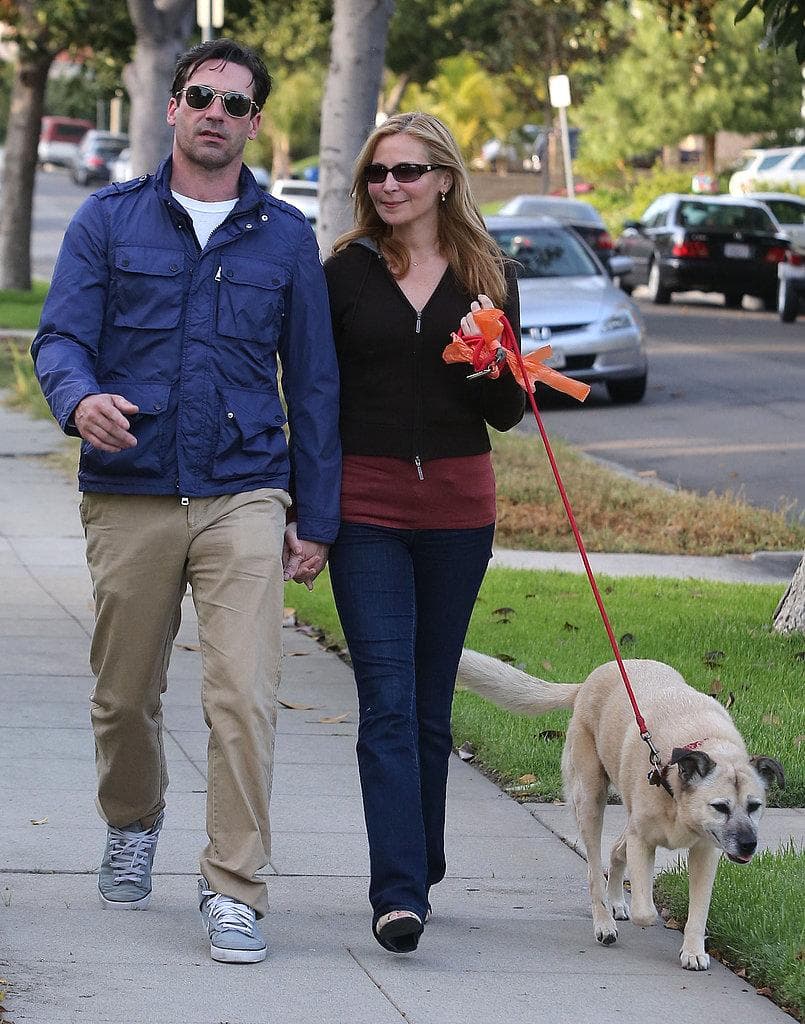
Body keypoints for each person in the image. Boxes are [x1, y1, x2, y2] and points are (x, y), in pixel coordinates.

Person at [31, 38, 340, 964]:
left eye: (236, 104)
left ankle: (234, 885)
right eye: (202, 96)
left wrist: (316, 516)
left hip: (245, 487)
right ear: (173, 107)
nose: (216, 113)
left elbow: (313, 383)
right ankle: (134, 818)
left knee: (243, 696)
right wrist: (79, 400)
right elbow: (59, 338)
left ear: (255, 123)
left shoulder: (285, 237)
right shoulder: (107, 220)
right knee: (123, 696)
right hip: (130, 489)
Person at [323, 112, 526, 954]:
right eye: (377, 173)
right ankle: (398, 893)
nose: (389, 186)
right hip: (365, 510)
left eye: (406, 171)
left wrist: (488, 361)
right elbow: (317, 395)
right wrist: (307, 511)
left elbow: (509, 412)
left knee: (430, 706)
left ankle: (422, 861)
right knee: (388, 701)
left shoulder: (488, 275)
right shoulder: (344, 273)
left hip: (456, 512)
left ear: (444, 179)